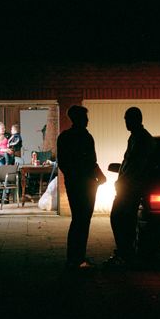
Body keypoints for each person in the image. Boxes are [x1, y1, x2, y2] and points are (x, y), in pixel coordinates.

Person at [104, 106, 155, 269]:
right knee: (122, 219)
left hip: (131, 188)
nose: (125, 122)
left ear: (136, 119)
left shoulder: (142, 139)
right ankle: (125, 252)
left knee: (119, 218)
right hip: (128, 187)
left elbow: (137, 166)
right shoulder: (135, 137)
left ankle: (125, 253)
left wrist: (123, 181)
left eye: (127, 118)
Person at [57, 105, 105, 270]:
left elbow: (63, 162)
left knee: (78, 219)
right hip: (88, 183)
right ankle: (78, 258)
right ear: (79, 118)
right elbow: (92, 161)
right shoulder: (86, 137)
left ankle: (74, 257)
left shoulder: (64, 137)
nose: (87, 120)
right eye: (85, 117)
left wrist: (71, 177)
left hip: (73, 183)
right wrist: (100, 176)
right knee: (83, 220)